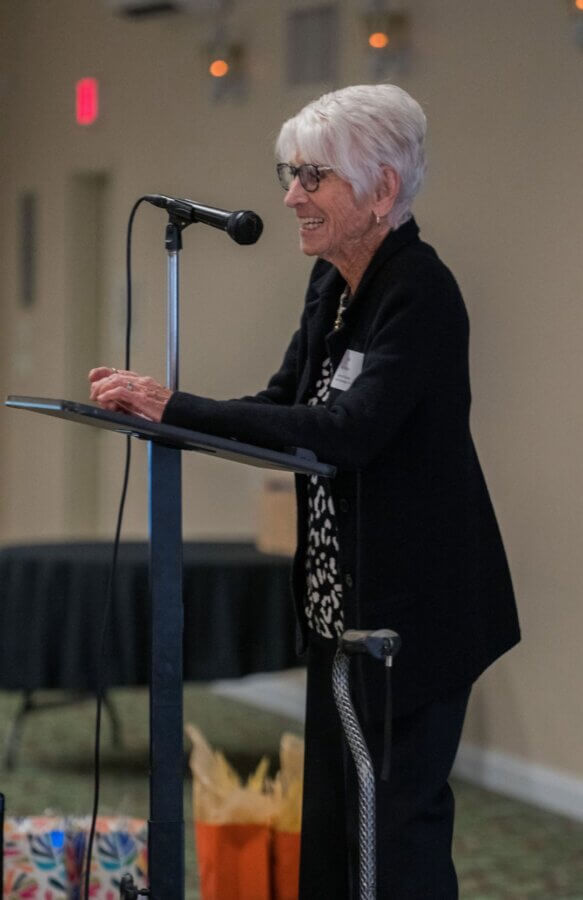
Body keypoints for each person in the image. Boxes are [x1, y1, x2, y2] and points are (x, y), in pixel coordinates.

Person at [89, 84, 520, 899]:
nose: (290, 196)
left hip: (410, 621)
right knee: (330, 838)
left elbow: (353, 428)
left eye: (312, 177)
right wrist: (164, 412)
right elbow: (286, 407)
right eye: (291, 174)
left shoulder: (417, 290)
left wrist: (174, 407)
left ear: (381, 189)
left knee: (391, 843)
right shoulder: (332, 288)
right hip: (338, 617)